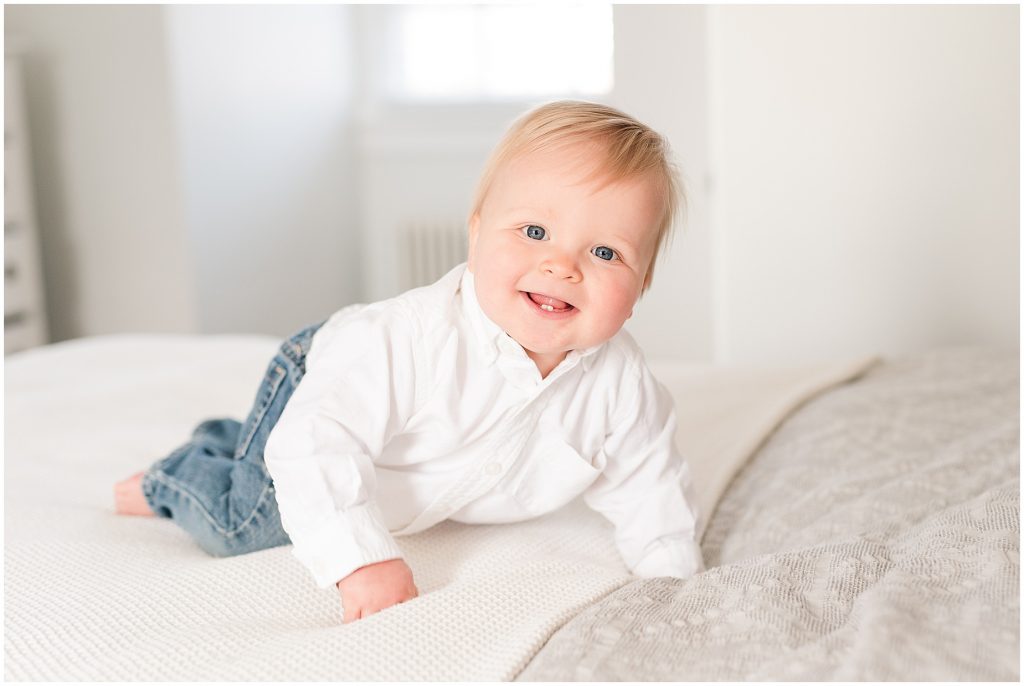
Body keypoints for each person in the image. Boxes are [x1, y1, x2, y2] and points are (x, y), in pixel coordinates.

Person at [114, 100, 704, 624]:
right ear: (475, 236)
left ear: (643, 282)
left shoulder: (622, 385)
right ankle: (179, 474)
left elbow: (651, 487)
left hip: (369, 424)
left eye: (605, 252)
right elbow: (316, 444)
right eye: (534, 230)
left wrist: (671, 579)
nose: (562, 265)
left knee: (278, 458)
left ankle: (238, 439)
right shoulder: (408, 342)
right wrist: (362, 562)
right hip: (324, 380)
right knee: (244, 524)